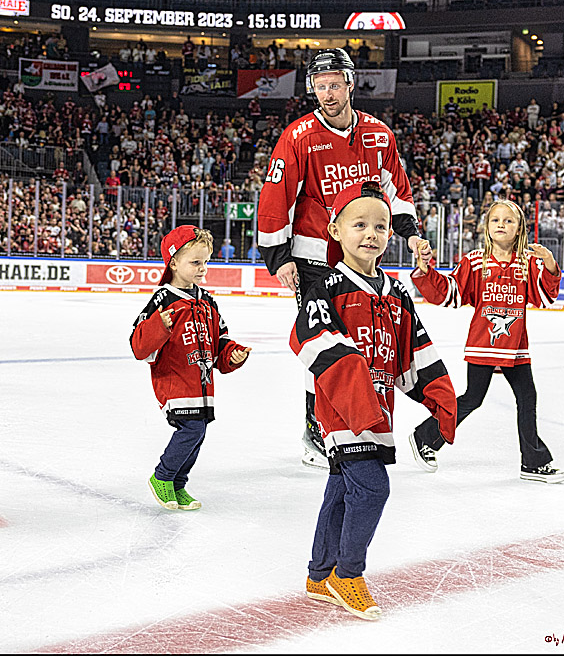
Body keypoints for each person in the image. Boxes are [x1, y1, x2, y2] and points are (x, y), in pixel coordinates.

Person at [291, 181, 456, 621]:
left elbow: (413, 349)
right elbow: (313, 341)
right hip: (342, 408)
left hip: (377, 407)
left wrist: (439, 397)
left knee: (343, 488)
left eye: (380, 226)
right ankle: (349, 575)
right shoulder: (323, 286)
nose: (371, 233)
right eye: (359, 224)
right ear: (335, 230)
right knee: (372, 487)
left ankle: (320, 574)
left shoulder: (395, 290)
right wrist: (359, 402)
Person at [257, 48, 424, 469]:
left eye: (334, 84)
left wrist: (409, 233)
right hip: (313, 258)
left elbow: (396, 191)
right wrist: (278, 258)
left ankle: (354, 424)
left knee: (361, 346)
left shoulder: (379, 135)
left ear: (350, 84)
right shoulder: (297, 137)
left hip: (363, 257)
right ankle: (317, 431)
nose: (327, 93)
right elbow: (276, 198)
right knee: (323, 346)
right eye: (319, 85)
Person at [408, 199, 564, 483]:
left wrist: (550, 265)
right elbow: (450, 292)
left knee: (527, 397)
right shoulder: (474, 261)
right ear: (487, 227)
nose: (501, 225)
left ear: (520, 229)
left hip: (515, 347)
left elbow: (544, 297)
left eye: (508, 221)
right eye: (496, 220)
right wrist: (426, 270)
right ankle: (425, 436)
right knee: (472, 399)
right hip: (483, 343)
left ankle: (532, 462)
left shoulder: (528, 263)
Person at [130, 226, 251, 510]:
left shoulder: (208, 301)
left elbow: (219, 341)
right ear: (173, 262)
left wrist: (232, 354)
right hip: (175, 381)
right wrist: (159, 326)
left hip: (202, 383)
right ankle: (163, 477)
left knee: (199, 432)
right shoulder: (163, 300)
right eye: (195, 262)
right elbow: (138, 345)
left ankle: (177, 484)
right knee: (191, 430)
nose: (202, 269)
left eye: (205, 261)